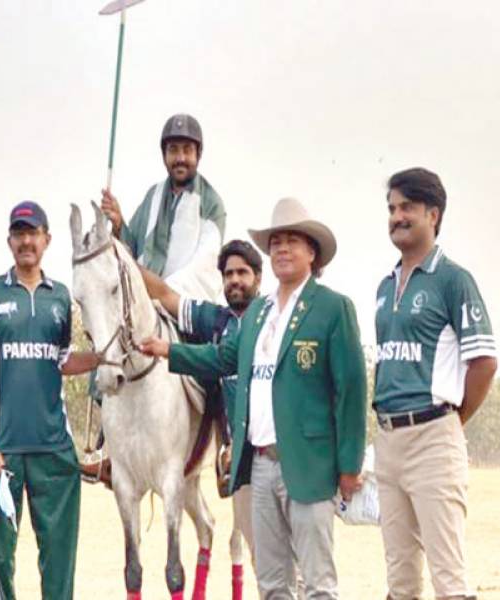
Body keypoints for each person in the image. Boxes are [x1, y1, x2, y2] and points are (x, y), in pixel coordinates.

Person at [141, 198, 367, 599]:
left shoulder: (333, 309)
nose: (282, 248)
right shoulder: (259, 313)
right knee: (272, 583)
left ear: (312, 252)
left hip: (309, 465)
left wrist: (349, 466)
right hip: (259, 466)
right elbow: (223, 357)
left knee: (318, 583)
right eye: (276, 242)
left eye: (292, 241)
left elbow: (351, 390)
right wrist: (168, 351)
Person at [0, 201, 100, 600]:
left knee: (59, 561)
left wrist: (104, 357)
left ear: (47, 240)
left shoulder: (60, 297)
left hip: (54, 448)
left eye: (33, 233)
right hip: (2, 452)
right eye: (19, 233)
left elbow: (62, 361)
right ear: (10, 241)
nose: (26, 241)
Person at [374, 168, 498, 600]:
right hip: (388, 438)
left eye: (407, 207)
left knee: (448, 578)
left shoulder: (453, 280)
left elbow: (484, 363)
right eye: (392, 208)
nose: (397, 216)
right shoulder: (384, 287)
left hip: (434, 436)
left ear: (434, 214)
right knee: (400, 579)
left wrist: (452, 421)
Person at [140, 239, 262, 599]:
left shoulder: (271, 316)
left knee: (288, 559)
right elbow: (164, 294)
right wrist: (123, 258)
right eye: (228, 274)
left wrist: (169, 350)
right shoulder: (218, 319)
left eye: (242, 273)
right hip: (243, 461)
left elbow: (218, 358)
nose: (234, 280)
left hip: (277, 452)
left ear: (258, 277)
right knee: (265, 561)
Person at [101, 113, 226, 301]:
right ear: (164, 155)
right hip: (142, 301)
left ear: (198, 154)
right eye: (173, 150)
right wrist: (118, 224)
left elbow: (204, 267)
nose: (180, 158)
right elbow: (131, 251)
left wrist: (163, 294)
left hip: (183, 304)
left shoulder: (211, 203)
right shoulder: (153, 196)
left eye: (187, 150)